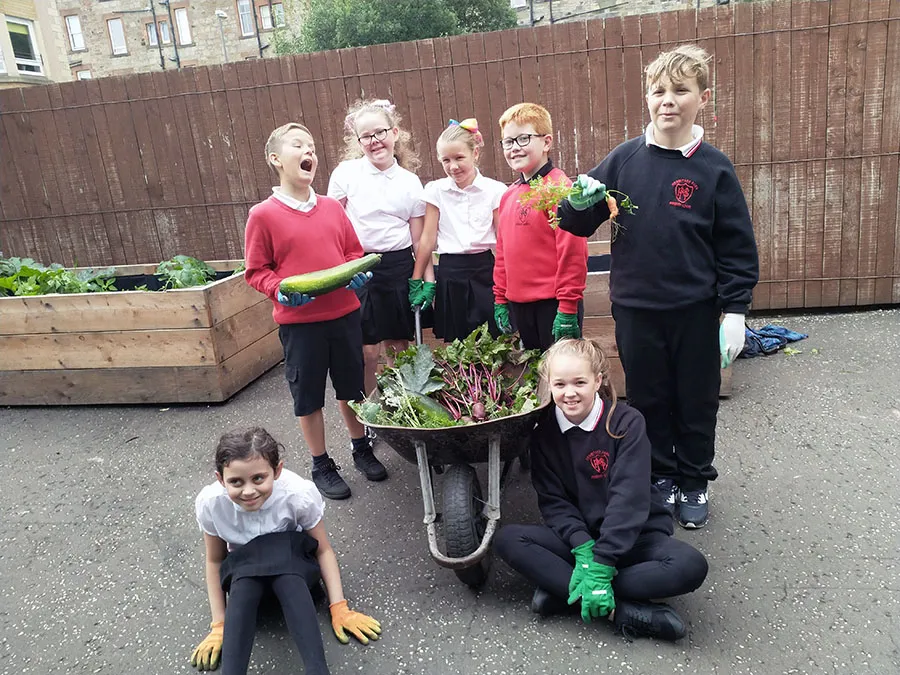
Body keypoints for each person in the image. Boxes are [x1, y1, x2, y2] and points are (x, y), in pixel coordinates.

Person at [556, 45, 759, 529]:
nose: (668, 100)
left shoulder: (713, 168)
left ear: (703, 98)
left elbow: (735, 245)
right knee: (648, 400)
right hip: (636, 309)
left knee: (696, 399)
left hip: (695, 309)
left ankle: (694, 481)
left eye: (681, 91)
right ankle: (661, 476)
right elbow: (574, 222)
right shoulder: (625, 160)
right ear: (647, 98)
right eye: (658, 91)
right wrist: (578, 202)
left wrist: (734, 312)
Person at [494, 339, 708, 641]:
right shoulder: (543, 434)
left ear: (598, 380)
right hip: (580, 543)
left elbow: (629, 499)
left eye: (580, 382)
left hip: (634, 538)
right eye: (560, 384)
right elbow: (554, 503)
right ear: (549, 385)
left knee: (690, 566)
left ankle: (567, 592)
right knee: (508, 539)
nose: (570, 393)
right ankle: (618, 611)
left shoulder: (625, 423)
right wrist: (583, 548)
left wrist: (603, 564)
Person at [244, 122, 387, 501]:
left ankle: (361, 448)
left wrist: (359, 275)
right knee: (307, 397)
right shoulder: (263, 215)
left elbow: (353, 254)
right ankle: (321, 462)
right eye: (298, 145)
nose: (309, 151)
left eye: (311, 145)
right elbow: (256, 271)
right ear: (276, 159)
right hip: (300, 324)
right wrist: (280, 290)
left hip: (344, 315)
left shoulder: (330, 209)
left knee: (351, 389)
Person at [189, 428, 381, 674]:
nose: (248, 491)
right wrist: (219, 624)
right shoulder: (211, 502)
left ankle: (317, 670)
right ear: (220, 479)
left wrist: (339, 606)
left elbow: (323, 551)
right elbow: (215, 560)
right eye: (236, 482)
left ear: (277, 471)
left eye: (258, 478)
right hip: (245, 574)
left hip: (294, 574)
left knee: (287, 574)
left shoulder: (297, 493)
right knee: (245, 583)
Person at [327, 98, 429, 395]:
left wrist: (419, 277)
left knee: (398, 347)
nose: (375, 141)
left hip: (397, 268)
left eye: (380, 132)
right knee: (366, 352)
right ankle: (368, 415)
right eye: (366, 136)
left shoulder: (410, 182)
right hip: (357, 267)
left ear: (395, 133)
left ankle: (404, 409)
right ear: (358, 141)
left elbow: (418, 239)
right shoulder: (345, 174)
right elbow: (332, 225)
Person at [492, 103, 588, 351]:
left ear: (546, 142)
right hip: (520, 306)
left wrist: (567, 307)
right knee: (535, 378)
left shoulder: (559, 189)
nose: (515, 147)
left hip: (554, 306)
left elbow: (573, 252)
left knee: (559, 380)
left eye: (523, 138)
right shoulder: (508, 196)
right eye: (508, 141)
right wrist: (500, 297)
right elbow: (502, 252)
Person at [407, 118, 508, 342]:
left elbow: (503, 242)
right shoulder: (435, 191)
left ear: (476, 153)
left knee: (491, 343)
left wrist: (507, 285)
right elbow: (427, 238)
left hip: (485, 272)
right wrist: (418, 280)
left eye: (459, 158)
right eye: (446, 160)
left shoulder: (494, 190)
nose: (453, 166)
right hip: (450, 274)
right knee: (458, 346)